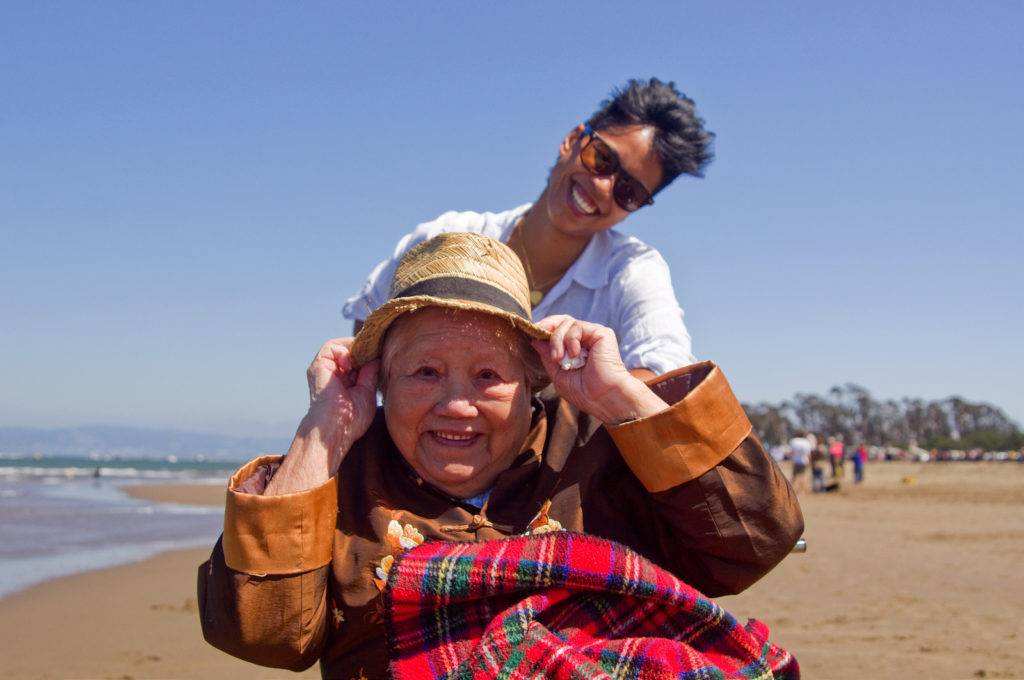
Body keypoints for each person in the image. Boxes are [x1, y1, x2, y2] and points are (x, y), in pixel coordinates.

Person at [199, 232, 803, 677]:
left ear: (530, 379)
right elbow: (265, 634)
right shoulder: (340, 473)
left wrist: (621, 399)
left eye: (488, 375)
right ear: (382, 383)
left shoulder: (598, 443)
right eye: (425, 373)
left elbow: (755, 540)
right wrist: (322, 432)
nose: (456, 405)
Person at [344, 78, 714, 380]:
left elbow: (669, 369)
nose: (603, 186)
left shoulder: (632, 269)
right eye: (601, 158)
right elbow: (368, 328)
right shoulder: (447, 236)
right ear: (572, 139)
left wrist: (592, 396)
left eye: (628, 191)